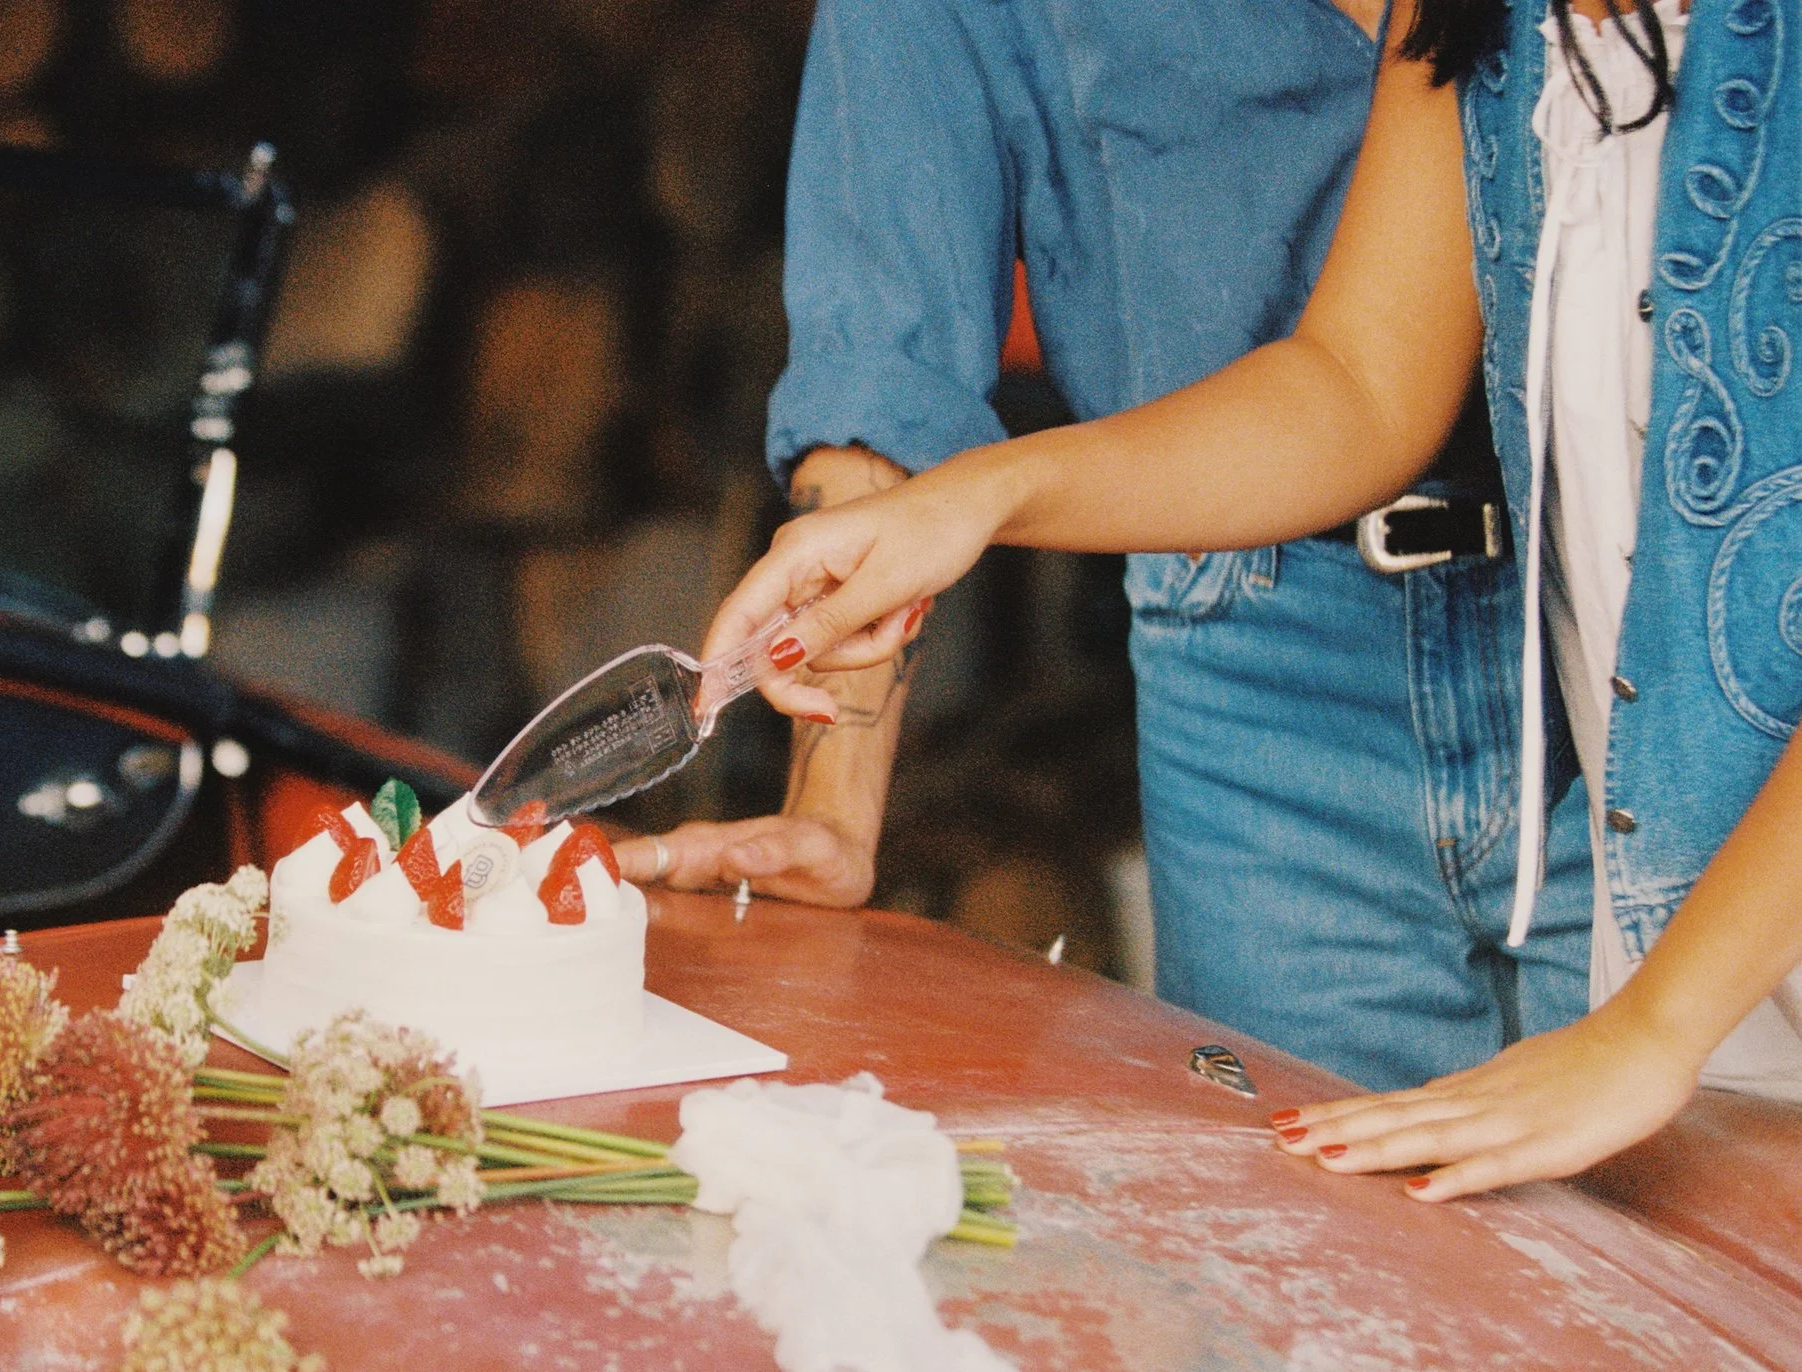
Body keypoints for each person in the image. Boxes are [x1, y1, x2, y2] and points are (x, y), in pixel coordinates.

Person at [700, 0, 1802, 1199]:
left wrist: (1653, 1032)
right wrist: (974, 502)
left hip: (1702, 844)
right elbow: (1358, 386)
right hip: (1643, 833)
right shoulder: (1489, 32)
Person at [615, 0, 1598, 1096]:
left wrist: (984, 499)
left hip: (1628, 618)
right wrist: (831, 804)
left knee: (1694, 1231)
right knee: (1310, 1228)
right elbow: (888, 363)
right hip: (1255, 640)